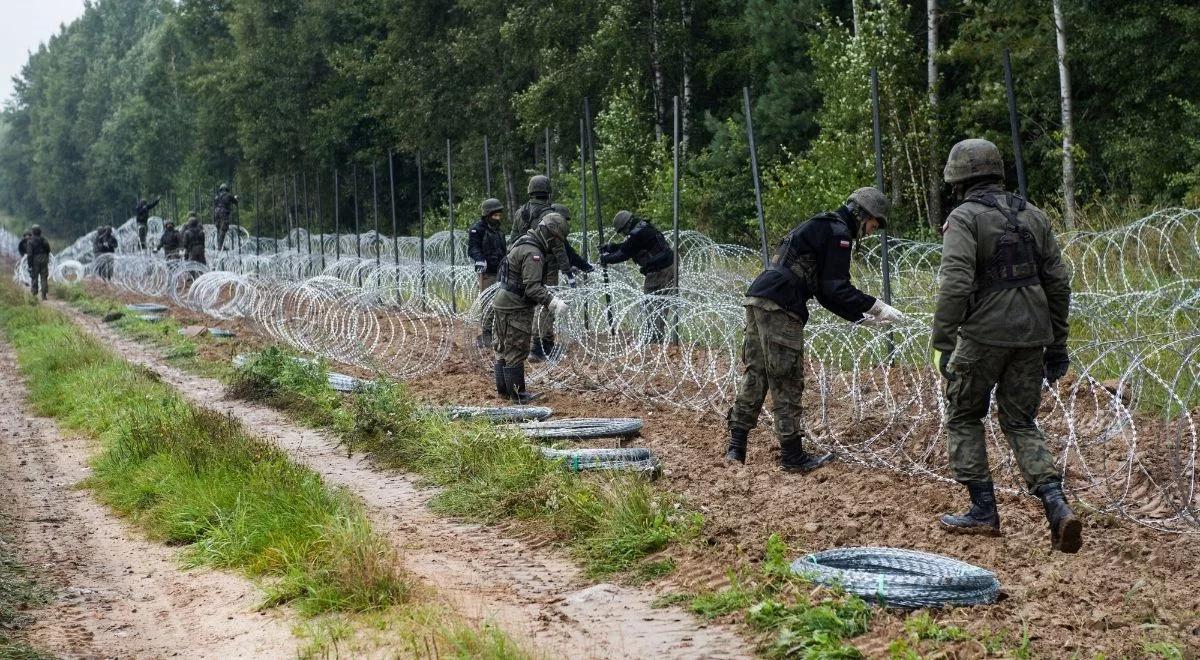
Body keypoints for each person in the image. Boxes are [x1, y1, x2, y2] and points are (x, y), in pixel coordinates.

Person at [932, 138, 1079, 553]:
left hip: (983, 335)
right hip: (1033, 334)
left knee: (964, 414)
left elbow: (956, 283)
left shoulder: (964, 218)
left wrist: (942, 341)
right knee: (1020, 422)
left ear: (958, 178)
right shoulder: (1033, 215)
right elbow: (1058, 282)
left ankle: (982, 510)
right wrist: (1057, 343)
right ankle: (1056, 505)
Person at [724, 187, 905, 472]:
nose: (870, 232)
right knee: (786, 379)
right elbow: (836, 287)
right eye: (873, 224)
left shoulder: (824, 224)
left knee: (757, 373)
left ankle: (736, 446)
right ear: (863, 215)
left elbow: (824, 291)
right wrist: (876, 305)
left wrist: (859, 317)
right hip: (782, 305)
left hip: (759, 297)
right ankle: (792, 456)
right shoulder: (839, 233)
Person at [491, 211, 571, 403]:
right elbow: (533, 288)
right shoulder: (534, 252)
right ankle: (518, 395)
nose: (555, 244)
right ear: (549, 234)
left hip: (503, 302)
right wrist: (553, 302)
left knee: (502, 347)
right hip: (516, 306)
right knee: (516, 349)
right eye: (556, 239)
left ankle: (504, 391)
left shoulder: (523, 242)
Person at [510, 176, 593, 361]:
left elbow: (513, 239)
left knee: (529, 304)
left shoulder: (520, 212)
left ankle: (539, 344)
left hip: (524, 263)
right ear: (547, 193)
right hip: (546, 265)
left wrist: (515, 262)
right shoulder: (550, 213)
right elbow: (559, 246)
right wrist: (568, 271)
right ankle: (540, 348)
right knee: (547, 305)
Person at [599, 210, 677, 343]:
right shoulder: (643, 228)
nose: (624, 234)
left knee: (651, 304)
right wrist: (610, 248)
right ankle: (656, 336)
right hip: (668, 266)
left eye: (623, 231)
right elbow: (628, 247)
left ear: (627, 224)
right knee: (660, 303)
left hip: (658, 271)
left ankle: (655, 338)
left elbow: (624, 254)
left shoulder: (637, 234)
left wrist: (606, 259)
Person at [469, 198, 507, 348]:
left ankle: (498, 332)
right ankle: (486, 334)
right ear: (487, 214)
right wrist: (480, 259)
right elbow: (473, 248)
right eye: (495, 215)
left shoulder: (499, 232)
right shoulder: (477, 229)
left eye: (499, 215)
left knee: (501, 303)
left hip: (501, 271)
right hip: (488, 273)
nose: (498, 218)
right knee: (488, 304)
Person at [25, 225, 51, 301]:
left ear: (32, 232)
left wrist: (30, 265)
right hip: (44, 258)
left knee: (34, 277)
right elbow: (48, 249)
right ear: (40, 231)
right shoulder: (44, 239)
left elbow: (29, 254)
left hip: (35, 259)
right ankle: (44, 295)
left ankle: (34, 295)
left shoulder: (30, 241)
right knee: (44, 277)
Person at [212, 183, 239, 249]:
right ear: (226, 189)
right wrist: (236, 198)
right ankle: (220, 247)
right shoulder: (228, 195)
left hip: (216, 212)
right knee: (223, 229)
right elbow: (235, 201)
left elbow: (214, 204)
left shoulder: (217, 196)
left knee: (218, 229)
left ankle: (218, 245)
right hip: (223, 212)